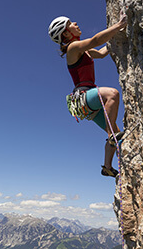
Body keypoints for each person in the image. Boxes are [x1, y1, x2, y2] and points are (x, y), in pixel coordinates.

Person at [48, 15, 128, 177]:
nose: (75, 23)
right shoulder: (73, 48)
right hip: (83, 95)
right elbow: (96, 40)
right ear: (66, 34)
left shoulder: (83, 50)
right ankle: (112, 137)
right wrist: (119, 25)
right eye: (70, 24)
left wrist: (116, 37)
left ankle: (107, 167)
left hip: (87, 102)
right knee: (112, 94)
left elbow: (102, 52)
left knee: (118, 137)